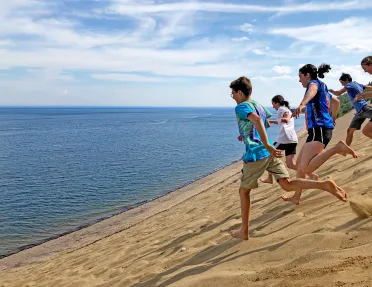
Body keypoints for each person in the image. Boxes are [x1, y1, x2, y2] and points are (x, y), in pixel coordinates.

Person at [230, 76, 348, 241]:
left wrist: (267, 144)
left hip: (257, 153)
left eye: (233, 93)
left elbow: (257, 121)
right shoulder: (258, 105)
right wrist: (246, 134)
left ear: (240, 92)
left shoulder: (241, 107)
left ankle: (244, 231)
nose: (233, 96)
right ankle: (323, 185)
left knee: (244, 191)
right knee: (287, 184)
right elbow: (265, 123)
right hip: (269, 152)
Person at [281, 64, 357, 205]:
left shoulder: (314, 84)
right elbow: (336, 101)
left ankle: (337, 149)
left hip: (319, 129)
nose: (299, 81)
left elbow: (312, 90)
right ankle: (297, 196)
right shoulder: (323, 86)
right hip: (316, 130)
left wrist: (303, 103)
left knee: (306, 168)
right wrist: (333, 117)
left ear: (307, 75)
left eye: (300, 77)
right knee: (299, 166)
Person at [259, 95, 318, 184]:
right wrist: (271, 121)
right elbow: (282, 121)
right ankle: (311, 174)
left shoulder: (281, 109)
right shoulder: (286, 109)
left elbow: (286, 117)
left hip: (284, 139)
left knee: (270, 154)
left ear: (277, 103)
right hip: (292, 139)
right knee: (290, 164)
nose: (273, 106)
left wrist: (286, 118)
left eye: (273, 104)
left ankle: (270, 178)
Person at [329, 73, 372, 145]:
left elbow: (338, 93)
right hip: (359, 113)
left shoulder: (349, 85)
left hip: (364, 109)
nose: (342, 85)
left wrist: (330, 90)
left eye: (342, 82)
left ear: (346, 80)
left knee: (364, 131)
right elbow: (369, 87)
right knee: (349, 131)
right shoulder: (357, 84)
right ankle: (346, 150)